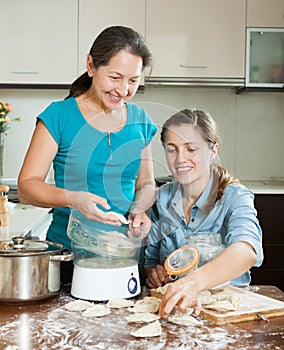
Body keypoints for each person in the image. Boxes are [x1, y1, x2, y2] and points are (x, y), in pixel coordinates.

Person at [18, 26, 158, 283]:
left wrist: (140, 210)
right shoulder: (58, 116)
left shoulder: (141, 121)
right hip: (68, 256)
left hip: (124, 254)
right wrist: (73, 199)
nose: (123, 89)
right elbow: (27, 187)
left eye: (133, 81)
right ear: (91, 66)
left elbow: (146, 183)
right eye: (115, 77)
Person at [144, 108, 263, 318]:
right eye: (172, 150)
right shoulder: (160, 199)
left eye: (191, 149)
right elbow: (151, 260)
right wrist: (154, 273)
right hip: (174, 312)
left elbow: (246, 251)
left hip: (226, 314)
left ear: (213, 150)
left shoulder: (234, 197)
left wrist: (193, 283)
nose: (180, 158)